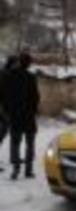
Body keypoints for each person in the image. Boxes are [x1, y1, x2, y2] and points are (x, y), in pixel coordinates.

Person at [5, 52, 40, 180]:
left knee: (15, 143)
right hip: (28, 117)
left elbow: (4, 96)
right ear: (28, 63)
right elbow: (36, 97)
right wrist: (34, 111)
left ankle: (15, 169)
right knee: (29, 143)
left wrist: (8, 111)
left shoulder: (9, 76)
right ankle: (28, 170)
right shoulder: (31, 77)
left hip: (15, 116)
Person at [0, 55, 17, 173]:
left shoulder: (7, 73)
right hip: (2, 108)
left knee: (4, 131)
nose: (18, 66)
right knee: (2, 131)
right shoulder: (5, 74)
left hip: (5, 108)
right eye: (16, 63)